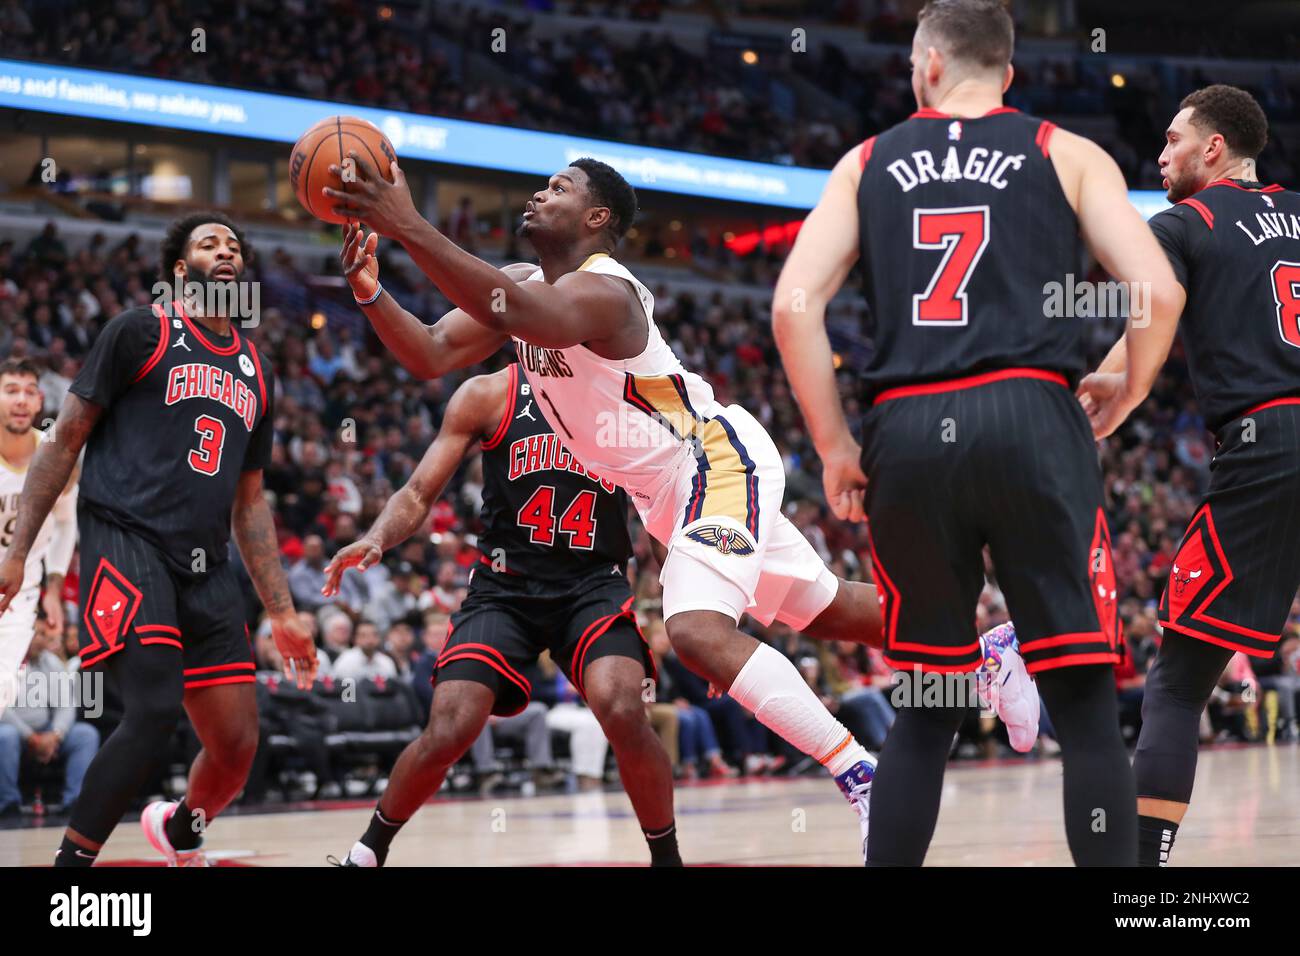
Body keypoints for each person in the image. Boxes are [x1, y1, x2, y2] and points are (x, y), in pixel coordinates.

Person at [326, 140, 1038, 863]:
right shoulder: (518, 287)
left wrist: (409, 224)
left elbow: (528, 314)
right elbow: (427, 352)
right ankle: (987, 651)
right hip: (668, 494)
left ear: (596, 216)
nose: (538, 196)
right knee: (828, 611)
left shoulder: (608, 288)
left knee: (696, 632)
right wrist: (368, 289)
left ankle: (860, 772)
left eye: (558, 187)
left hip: (710, 460)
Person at [771, 0, 1183, 866]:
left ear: (925, 66)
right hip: (1033, 416)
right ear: (1009, 71)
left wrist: (835, 445)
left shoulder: (864, 162)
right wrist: (1129, 386)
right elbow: (1156, 290)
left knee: (927, 703)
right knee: (1083, 707)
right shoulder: (1062, 151)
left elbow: (791, 307)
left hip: (908, 430)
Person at [0, 212, 317, 867]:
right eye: (209, 244)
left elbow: (250, 502)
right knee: (151, 709)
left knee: (235, 746)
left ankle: (177, 832)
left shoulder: (257, 367)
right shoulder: (141, 329)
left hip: (206, 564)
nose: (225, 252)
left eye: (234, 245)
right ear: (180, 270)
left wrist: (283, 611)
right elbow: (62, 441)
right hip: (125, 536)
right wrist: (18, 550)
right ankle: (69, 871)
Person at [326, 366, 681, 866]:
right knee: (451, 724)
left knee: (622, 707)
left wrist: (698, 625)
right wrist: (377, 537)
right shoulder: (490, 394)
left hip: (592, 585)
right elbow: (417, 491)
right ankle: (369, 850)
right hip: (504, 588)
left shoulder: (624, 400)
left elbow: (661, 520)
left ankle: (668, 860)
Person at [1081, 84, 1300, 866]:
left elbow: (1155, 310)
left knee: (1178, 679)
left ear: (1214, 148)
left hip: (1269, 442)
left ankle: (1146, 881)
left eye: (1173, 139)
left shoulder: (1183, 223)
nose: (1160, 152)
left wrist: (1117, 387)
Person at [0, 358, 78, 717]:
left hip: (20, 595)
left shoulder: (56, 456)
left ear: (39, 401)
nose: (21, 400)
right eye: (11, 391)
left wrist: (55, 587)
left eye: (29, 392)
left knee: (3, 692)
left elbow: (65, 523)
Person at [0, 628, 99, 815]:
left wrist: (56, 734)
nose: (41, 640)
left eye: (43, 634)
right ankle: (8, 803)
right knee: (6, 736)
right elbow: (2, 708)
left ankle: (76, 801)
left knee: (85, 734)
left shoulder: (50, 661)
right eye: (36, 633)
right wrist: (31, 737)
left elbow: (67, 705)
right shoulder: (4, 659)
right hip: (13, 731)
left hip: (47, 731)